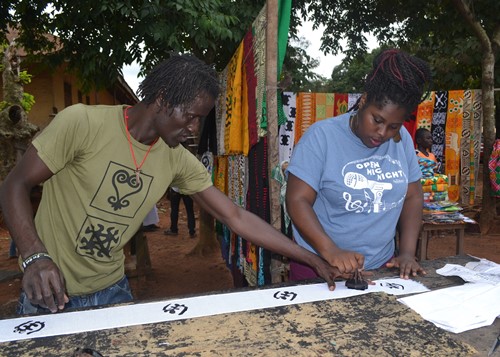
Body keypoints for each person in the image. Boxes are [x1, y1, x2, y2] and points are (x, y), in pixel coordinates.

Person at [0, 54, 342, 315]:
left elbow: (235, 217)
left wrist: (309, 257)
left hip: (112, 290)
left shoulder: (176, 157)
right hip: (49, 293)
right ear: (162, 98)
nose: (195, 127)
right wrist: (34, 257)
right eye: (190, 115)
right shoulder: (81, 123)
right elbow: (14, 185)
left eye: (200, 119)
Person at [285, 49, 431, 282]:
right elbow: (297, 200)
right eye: (377, 120)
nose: (382, 133)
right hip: (319, 267)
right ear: (363, 101)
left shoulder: (401, 139)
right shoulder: (321, 137)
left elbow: (412, 196)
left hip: (381, 267)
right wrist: (330, 251)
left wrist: (406, 253)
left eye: (393, 126)